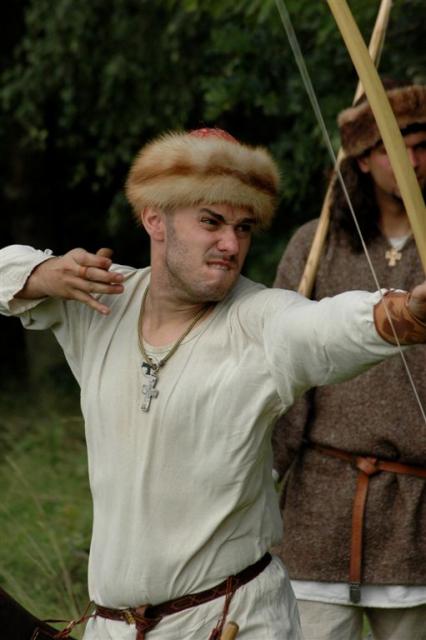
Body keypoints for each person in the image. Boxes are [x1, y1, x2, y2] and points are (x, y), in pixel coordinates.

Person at [1, 127, 426, 640]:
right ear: (154, 217)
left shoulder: (260, 319)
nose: (231, 244)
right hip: (114, 627)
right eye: (211, 222)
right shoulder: (100, 300)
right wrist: (43, 272)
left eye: (243, 228)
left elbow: (325, 327)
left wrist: (405, 313)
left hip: (233, 622)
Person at [273, 82, 426, 640]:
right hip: (319, 512)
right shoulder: (315, 245)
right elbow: (283, 371)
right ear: (362, 159)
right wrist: (260, 475)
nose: (413, 161)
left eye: (422, 146)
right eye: (395, 148)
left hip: (418, 517)